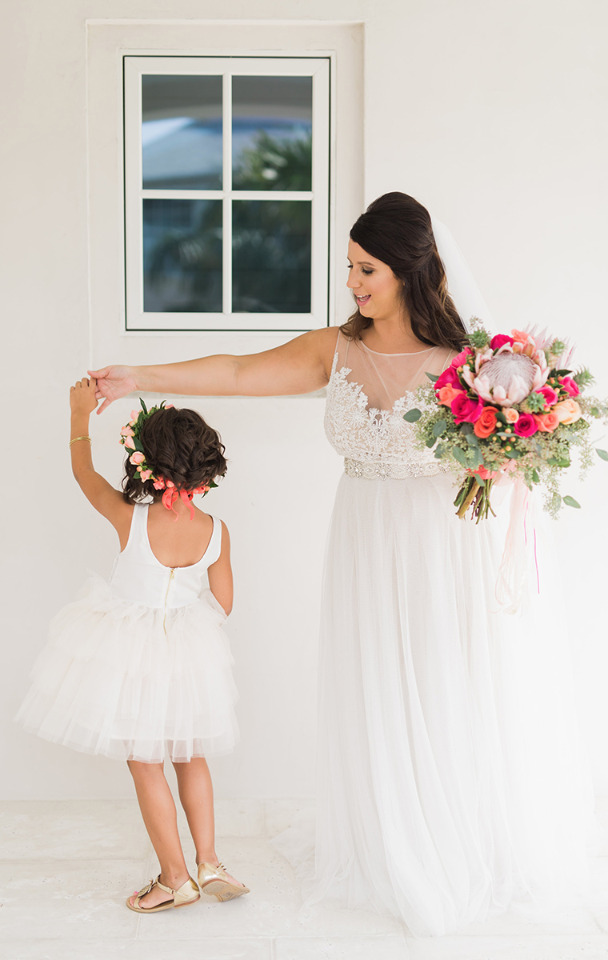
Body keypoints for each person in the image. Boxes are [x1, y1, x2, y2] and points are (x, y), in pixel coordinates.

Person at [89, 193, 592, 935]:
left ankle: (451, 838)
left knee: (442, 683)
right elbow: (235, 369)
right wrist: (141, 374)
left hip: (440, 549)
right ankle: (386, 842)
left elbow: (503, 458)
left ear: (411, 271)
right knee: (376, 682)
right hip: (363, 538)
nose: (353, 282)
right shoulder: (335, 348)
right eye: (350, 267)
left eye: (367, 269)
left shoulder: (470, 365)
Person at [16, 378, 249, 913]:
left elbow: (83, 473)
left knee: (146, 762)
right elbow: (224, 603)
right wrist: (186, 630)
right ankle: (210, 860)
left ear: (146, 464)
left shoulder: (130, 516)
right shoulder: (216, 529)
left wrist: (79, 414)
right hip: (190, 653)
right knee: (191, 755)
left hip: (128, 652)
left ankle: (174, 879)